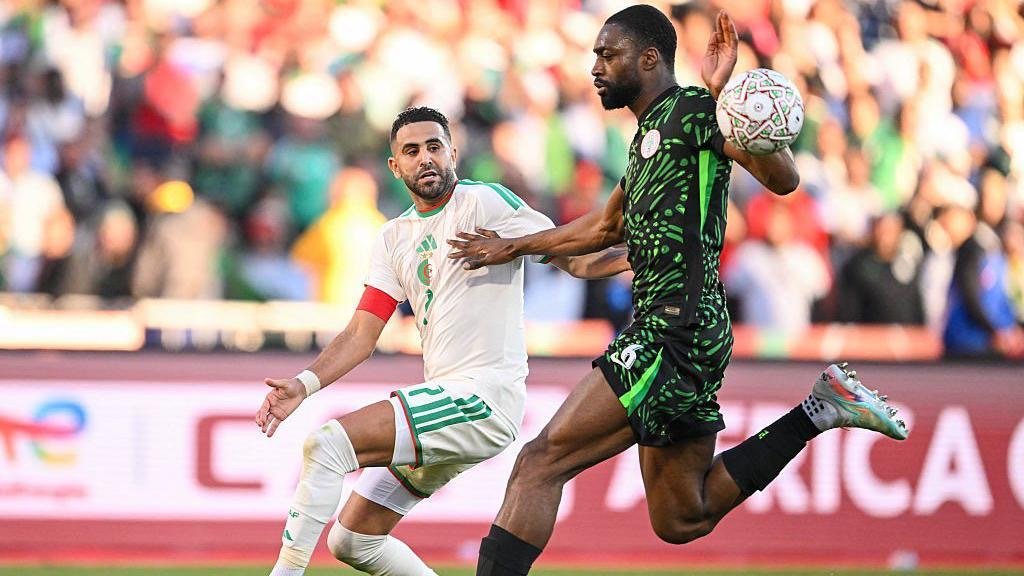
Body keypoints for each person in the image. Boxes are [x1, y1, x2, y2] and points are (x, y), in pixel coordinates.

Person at [446, 7, 910, 575]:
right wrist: (542, 249)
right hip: (691, 328)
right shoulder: (650, 134)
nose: (595, 66)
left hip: (673, 329)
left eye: (606, 54)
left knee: (540, 462)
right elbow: (604, 228)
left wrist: (725, 103)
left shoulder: (693, 110)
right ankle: (818, 411)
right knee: (680, 517)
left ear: (648, 58)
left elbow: (784, 180)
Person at [256, 106, 629, 576]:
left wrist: (648, 255)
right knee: (353, 539)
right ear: (395, 166)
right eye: (412, 151)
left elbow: (574, 260)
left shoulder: (487, 202)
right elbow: (360, 334)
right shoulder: (394, 238)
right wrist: (304, 384)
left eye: (435, 146)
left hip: (482, 396)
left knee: (328, 445)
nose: (426, 158)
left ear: (452, 151)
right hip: (448, 399)